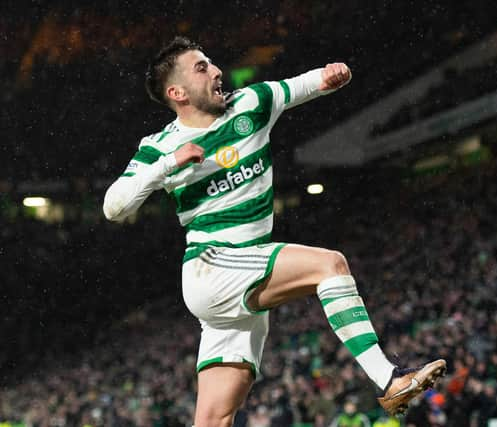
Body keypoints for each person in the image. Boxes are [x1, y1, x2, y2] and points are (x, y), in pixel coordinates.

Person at [103, 36, 446, 426]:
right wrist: (167, 165)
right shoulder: (160, 146)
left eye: (211, 63)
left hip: (240, 274)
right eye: (202, 68)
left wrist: (333, 75)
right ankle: (390, 378)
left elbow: (300, 86)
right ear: (176, 92)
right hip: (214, 266)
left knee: (215, 418)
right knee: (329, 265)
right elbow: (113, 207)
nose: (216, 71)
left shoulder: (250, 103)